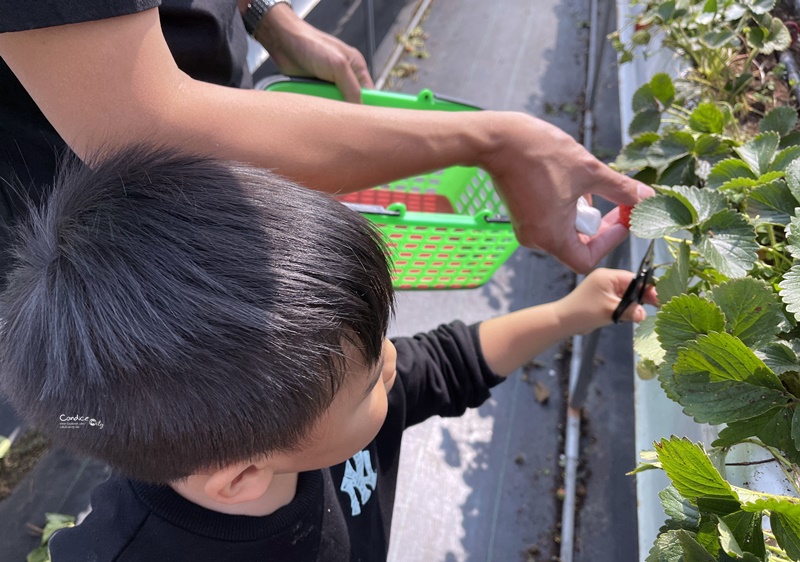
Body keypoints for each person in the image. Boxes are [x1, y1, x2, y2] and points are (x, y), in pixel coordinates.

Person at [0, 146, 656, 562]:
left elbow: (448, 363)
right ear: (245, 476)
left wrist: (574, 311)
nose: (396, 361)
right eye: (371, 379)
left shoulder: (278, 421)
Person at [0, 1, 651, 282]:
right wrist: (493, 142)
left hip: (214, 136)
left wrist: (265, 17)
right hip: (92, 214)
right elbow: (143, 128)